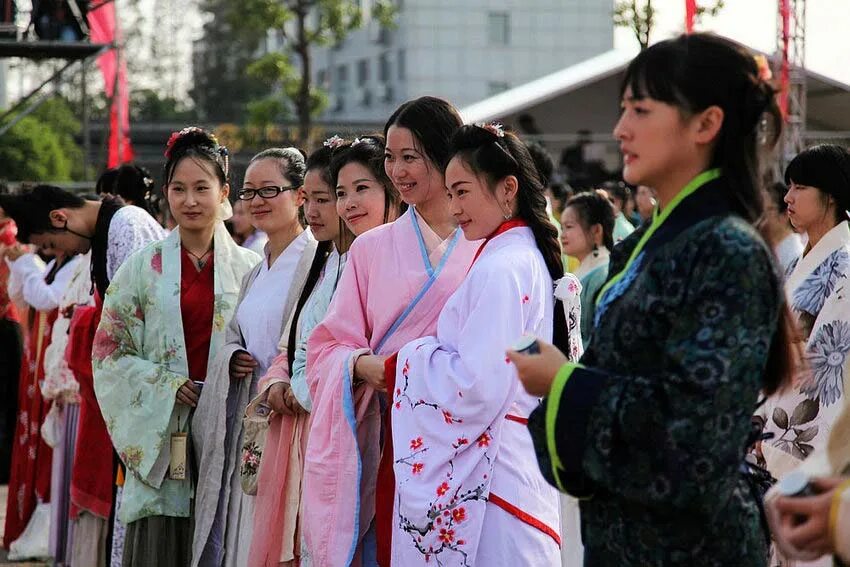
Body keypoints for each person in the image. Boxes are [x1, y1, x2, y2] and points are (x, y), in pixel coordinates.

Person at [508, 33, 793, 565]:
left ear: (706, 124)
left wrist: (562, 384)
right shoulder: (649, 242)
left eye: (640, 109)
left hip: (691, 549)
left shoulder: (727, 249)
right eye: (623, 110)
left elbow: (695, 438)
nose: (620, 129)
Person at [384, 123, 582, 565]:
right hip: (513, 459)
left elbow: (475, 384)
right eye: (450, 194)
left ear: (507, 188)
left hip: (494, 473)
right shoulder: (518, 254)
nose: (454, 208)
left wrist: (409, 360)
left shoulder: (502, 266)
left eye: (462, 192)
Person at [303, 97, 478, 566]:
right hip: (389, 434)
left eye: (410, 157)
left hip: (469, 438)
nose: (397, 170)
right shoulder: (370, 249)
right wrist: (362, 365)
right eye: (390, 158)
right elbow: (324, 348)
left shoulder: (487, 243)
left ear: (445, 155)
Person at [93, 127, 259, 567]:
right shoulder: (140, 270)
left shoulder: (251, 268)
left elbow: (270, 346)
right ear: (165, 193)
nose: (190, 201)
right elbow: (109, 354)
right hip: (167, 433)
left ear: (224, 191)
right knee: (163, 539)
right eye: (179, 189)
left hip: (228, 424)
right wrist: (165, 384)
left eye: (202, 188)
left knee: (227, 523)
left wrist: (240, 362)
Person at [0, 179, 166, 565]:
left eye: (54, 246)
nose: (60, 254)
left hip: (146, 385)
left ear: (61, 217)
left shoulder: (128, 226)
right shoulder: (105, 232)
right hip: (124, 384)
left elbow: (139, 318)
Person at [192, 146, 317, 567]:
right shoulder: (255, 269)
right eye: (249, 192)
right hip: (255, 418)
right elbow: (233, 337)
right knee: (246, 527)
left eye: (269, 190)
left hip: (295, 415)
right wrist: (233, 356)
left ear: (301, 196)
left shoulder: (316, 260)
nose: (257, 201)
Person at [243, 141, 351, 566]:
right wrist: (274, 380)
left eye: (328, 198)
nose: (316, 211)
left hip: (325, 420)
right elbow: (290, 342)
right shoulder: (321, 263)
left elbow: (346, 349)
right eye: (315, 199)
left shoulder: (331, 257)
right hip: (286, 414)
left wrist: (298, 389)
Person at [756, 144, 850, 567]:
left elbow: (828, 366)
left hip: (814, 440)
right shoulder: (802, 262)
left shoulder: (845, 264)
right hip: (776, 419)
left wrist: (765, 429)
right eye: (788, 187)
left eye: (801, 187)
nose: (788, 197)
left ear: (830, 195)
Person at [1, 239, 80, 549]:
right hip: (38, 361)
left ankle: (45, 528)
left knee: (47, 446)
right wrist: (24, 267)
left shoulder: (74, 266)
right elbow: (20, 295)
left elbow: (48, 299)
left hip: (54, 366)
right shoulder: (52, 265)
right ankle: (27, 519)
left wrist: (25, 264)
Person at [559, 190, 615, 349]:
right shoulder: (587, 269)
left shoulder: (603, 275)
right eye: (562, 227)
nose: (562, 235)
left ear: (596, 230)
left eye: (569, 227)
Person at [762, 180, 805, 274]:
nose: (763, 218)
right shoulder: (770, 251)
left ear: (786, 214)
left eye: (769, 210)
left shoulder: (794, 257)